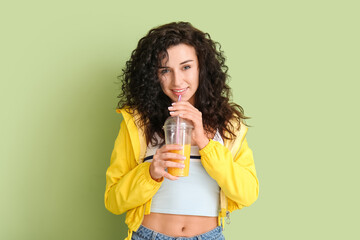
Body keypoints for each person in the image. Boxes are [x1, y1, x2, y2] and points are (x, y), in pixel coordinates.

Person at [104, 22, 259, 240]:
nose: (177, 81)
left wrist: (205, 142)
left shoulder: (228, 125)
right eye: (165, 71)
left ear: (201, 68)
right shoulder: (137, 122)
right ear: (154, 76)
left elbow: (247, 193)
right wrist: (149, 173)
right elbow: (113, 201)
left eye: (186, 67)